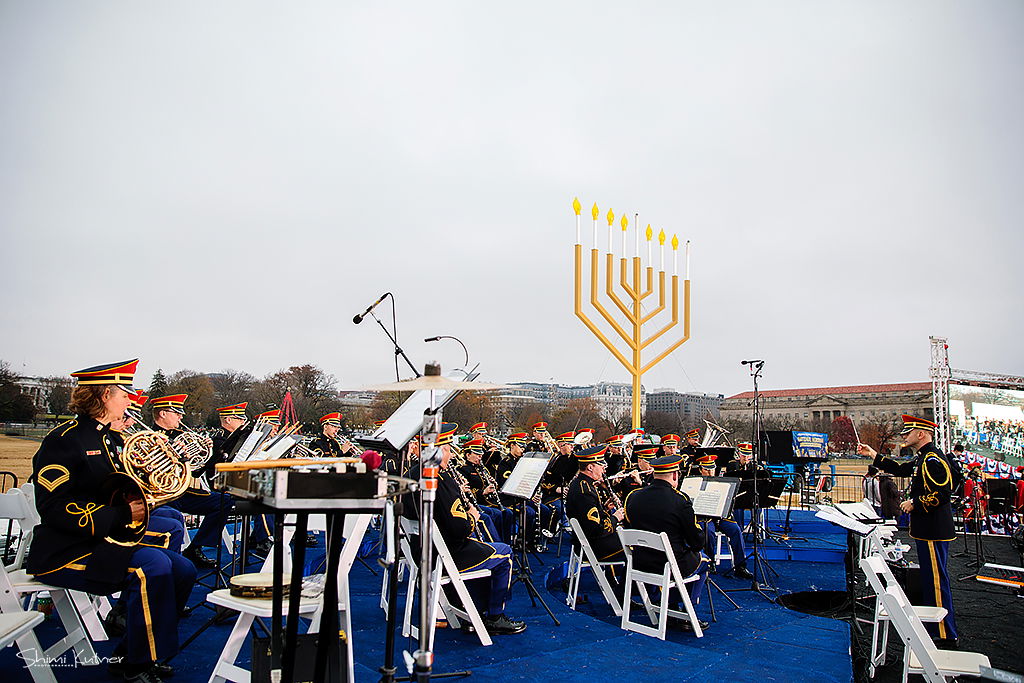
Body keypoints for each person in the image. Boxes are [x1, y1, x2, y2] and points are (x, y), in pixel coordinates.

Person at [27, 359, 195, 683]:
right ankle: (135, 664)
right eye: (124, 393)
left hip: (103, 542)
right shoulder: (65, 439)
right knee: (153, 566)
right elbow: (53, 506)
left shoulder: (108, 439)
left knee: (184, 569)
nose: (130, 400)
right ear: (105, 395)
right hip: (67, 549)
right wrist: (117, 516)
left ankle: (134, 652)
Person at [402, 423, 526, 635]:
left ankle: (468, 603)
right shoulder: (439, 479)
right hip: (444, 554)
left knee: (487, 544)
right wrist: (472, 516)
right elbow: (459, 529)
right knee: (504, 553)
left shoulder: (413, 473)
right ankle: (494, 616)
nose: (451, 455)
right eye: (448, 449)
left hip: (421, 550)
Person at [859, 415, 959, 647]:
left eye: (909, 432)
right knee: (930, 578)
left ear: (921, 434)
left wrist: (915, 503)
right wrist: (874, 454)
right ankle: (937, 626)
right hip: (927, 528)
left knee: (936, 581)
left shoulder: (933, 459)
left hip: (934, 528)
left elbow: (943, 493)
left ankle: (945, 633)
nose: (904, 436)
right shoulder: (923, 457)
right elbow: (901, 469)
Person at [623, 453, 709, 632]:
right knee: (703, 560)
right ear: (676, 475)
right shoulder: (680, 500)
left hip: (640, 562)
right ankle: (686, 611)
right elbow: (696, 542)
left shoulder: (633, 496)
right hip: (668, 565)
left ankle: (667, 607)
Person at [150, 394, 239, 566]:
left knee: (224, 501)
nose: (181, 417)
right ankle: (171, 560)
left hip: (182, 491)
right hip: (163, 494)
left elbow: (198, 472)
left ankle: (196, 547)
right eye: (176, 413)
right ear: (162, 414)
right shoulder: (151, 437)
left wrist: (206, 453)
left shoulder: (182, 436)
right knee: (172, 513)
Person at [696, 454, 755, 580]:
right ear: (701, 470)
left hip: (720, 516)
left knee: (736, 530)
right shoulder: (695, 483)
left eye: (712, 469)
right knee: (708, 531)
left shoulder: (720, 482)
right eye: (707, 470)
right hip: (704, 517)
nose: (710, 473)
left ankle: (740, 566)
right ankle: (709, 562)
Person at [564, 444, 624, 562]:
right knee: (633, 546)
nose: (604, 469)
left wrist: (605, 509)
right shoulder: (585, 491)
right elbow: (596, 530)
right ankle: (623, 580)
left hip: (587, 542)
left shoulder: (582, 483)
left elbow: (588, 515)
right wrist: (615, 518)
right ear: (590, 467)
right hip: (592, 546)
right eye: (601, 465)